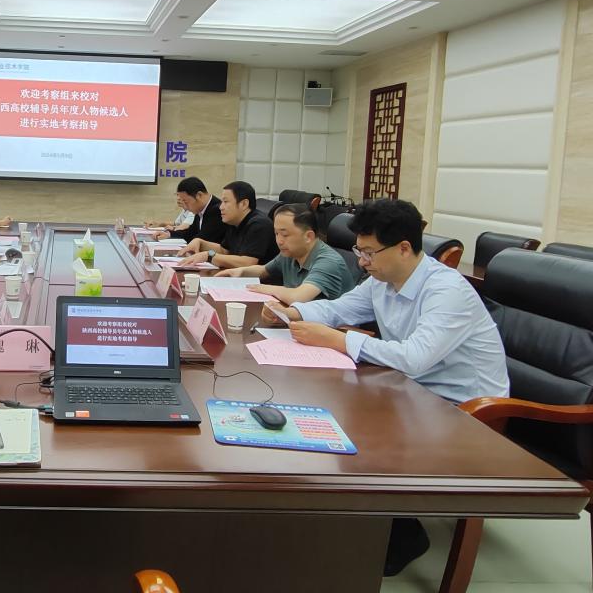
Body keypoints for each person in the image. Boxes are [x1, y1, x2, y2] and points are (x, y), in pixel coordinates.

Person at [264, 198, 508, 577]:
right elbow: (340, 309)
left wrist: (338, 340)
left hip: (463, 409)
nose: (362, 261)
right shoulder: (383, 280)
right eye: (359, 251)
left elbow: (414, 357)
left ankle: (401, 532)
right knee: (324, 411)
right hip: (411, 389)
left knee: (351, 426)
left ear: (404, 248)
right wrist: (293, 312)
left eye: (368, 252)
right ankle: (356, 519)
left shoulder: (446, 290)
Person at [215, 203, 355, 303]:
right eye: (276, 233)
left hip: (335, 330)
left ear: (308, 236)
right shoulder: (290, 253)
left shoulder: (327, 262)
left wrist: (260, 288)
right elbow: (264, 270)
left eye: (285, 234)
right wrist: (240, 272)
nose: (279, 241)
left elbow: (298, 297)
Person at [176, 181, 278, 269]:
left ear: (244, 204)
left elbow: (247, 262)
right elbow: (225, 250)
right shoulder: (234, 221)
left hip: (263, 282)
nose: (221, 207)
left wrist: (209, 256)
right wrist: (200, 242)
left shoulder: (259, 224)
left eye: (225, 202)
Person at [153, 176, 225, 244]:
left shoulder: (217, 210)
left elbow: (201, 239)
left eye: (185, 201)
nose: (185, 207)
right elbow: (190, 232)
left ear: (199, 195)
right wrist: (169, 234)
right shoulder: (200, 209)